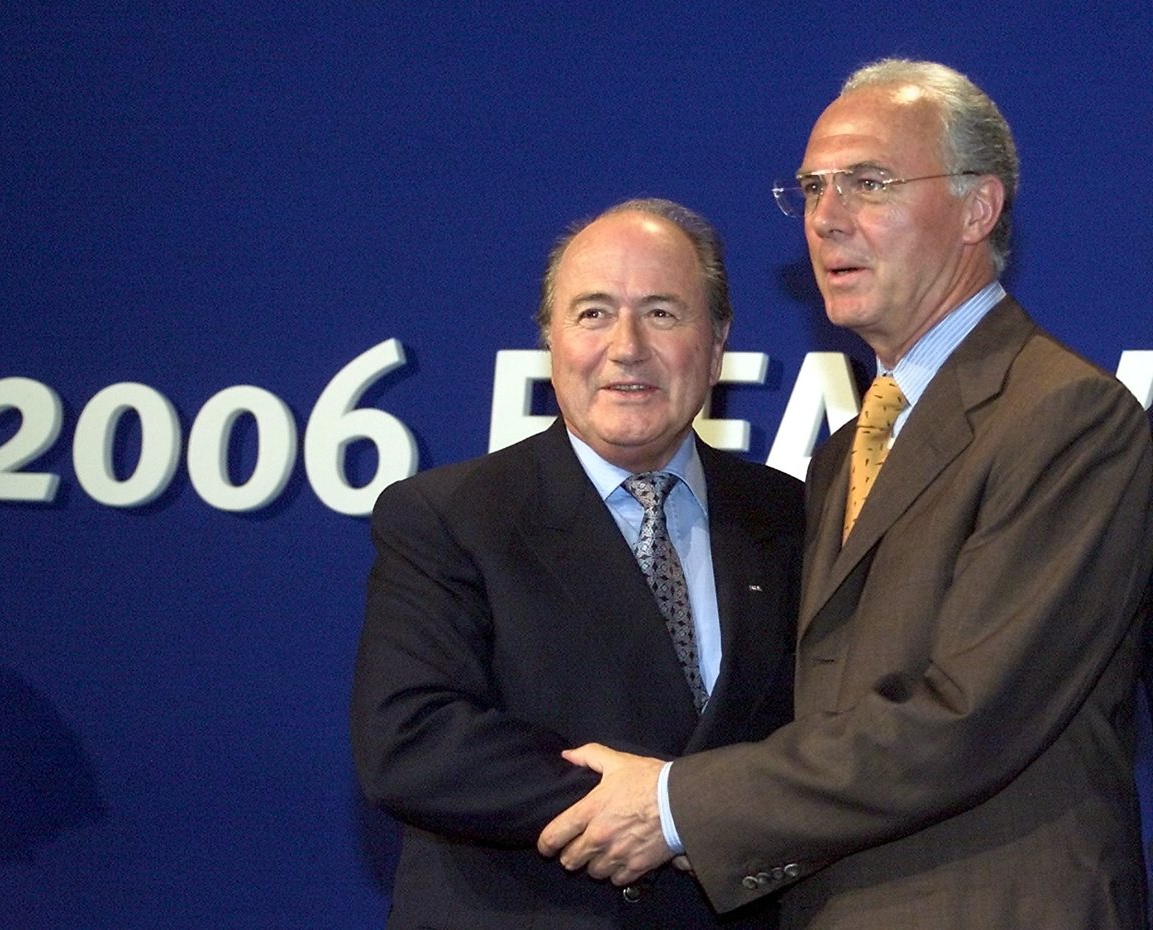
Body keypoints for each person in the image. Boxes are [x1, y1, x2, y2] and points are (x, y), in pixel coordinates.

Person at [538, 60, 1153, 929]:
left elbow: (966, 719)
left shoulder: (1066, 416)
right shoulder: (845, 453)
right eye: (812, 188)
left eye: (869, 182)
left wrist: (675, 805)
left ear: (978, 208)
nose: (826, 218)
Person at [351, 197, 804, 928]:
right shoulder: (449, 516)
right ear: (550, 340)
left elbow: (828, 736)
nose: (626, 347)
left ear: (718, 340)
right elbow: (414, 739)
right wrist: (663, 816)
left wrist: (689, 815)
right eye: (593, 313)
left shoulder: (791, 516)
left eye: (662, 313)